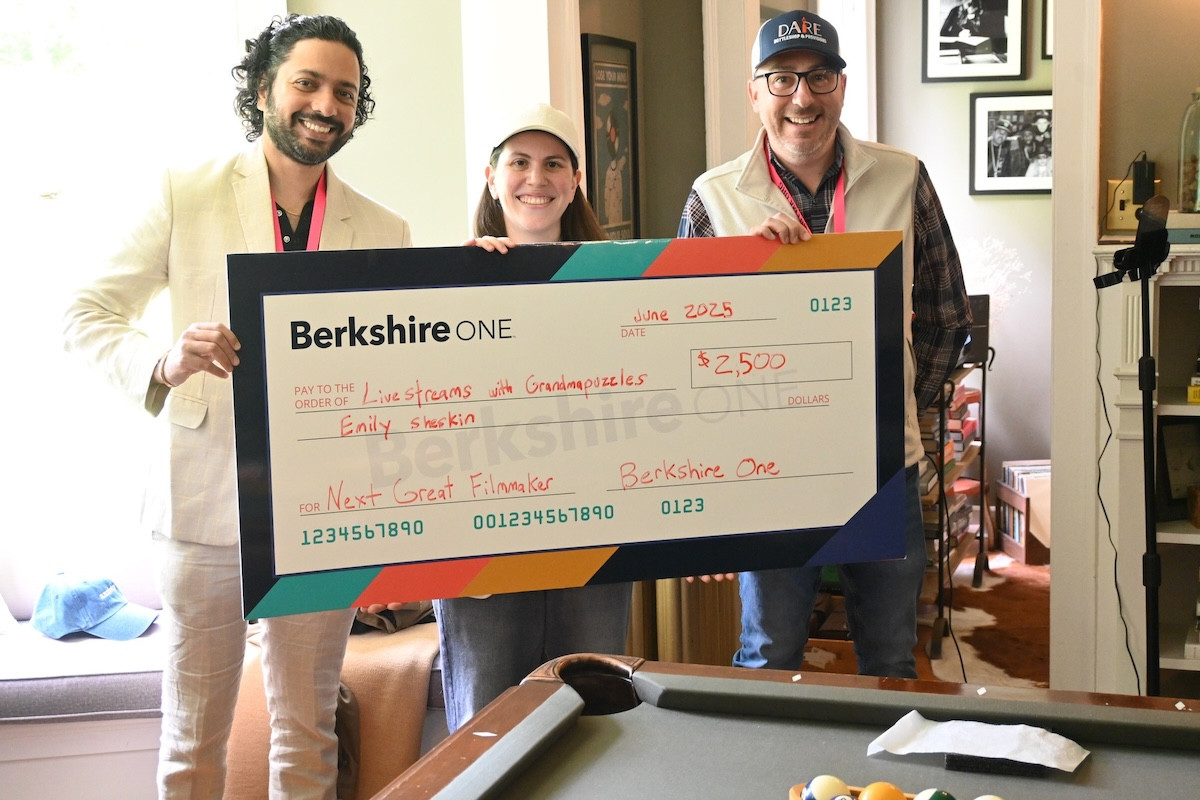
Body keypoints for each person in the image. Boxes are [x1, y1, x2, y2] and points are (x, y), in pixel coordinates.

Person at [62, 14, 412, 798]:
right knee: (192, 741)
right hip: (203, 502)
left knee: (309, 737)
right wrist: (162, 359)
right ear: (263, 92)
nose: (326, 103)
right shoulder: (183, 192)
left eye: (345, 92)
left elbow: (399, 371)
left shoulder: (385, 229)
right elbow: (85, 314)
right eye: (307, 83)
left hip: (327, 514)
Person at [677, 10, 972, 679]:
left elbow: (946, 315)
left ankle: (882, 788)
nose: (802, 98)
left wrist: (893, 406)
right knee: (769, 655)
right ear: (755, 93)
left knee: (891, 659)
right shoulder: (714, 198)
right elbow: (688, 344)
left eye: (818, 78)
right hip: (768, 471)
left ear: (842, 86)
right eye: (781, 79)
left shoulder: (903, 177)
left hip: (880, 467)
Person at [433, 102, 631, 732]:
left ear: (575, 183)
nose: (535, 179)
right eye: (519, 163)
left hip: (592, 535)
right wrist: (460, 285)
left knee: (594, 710)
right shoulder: (440, 281)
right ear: (492, 176)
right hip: (480, 540)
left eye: (553, 165)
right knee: (488, 720)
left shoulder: (627, 280)